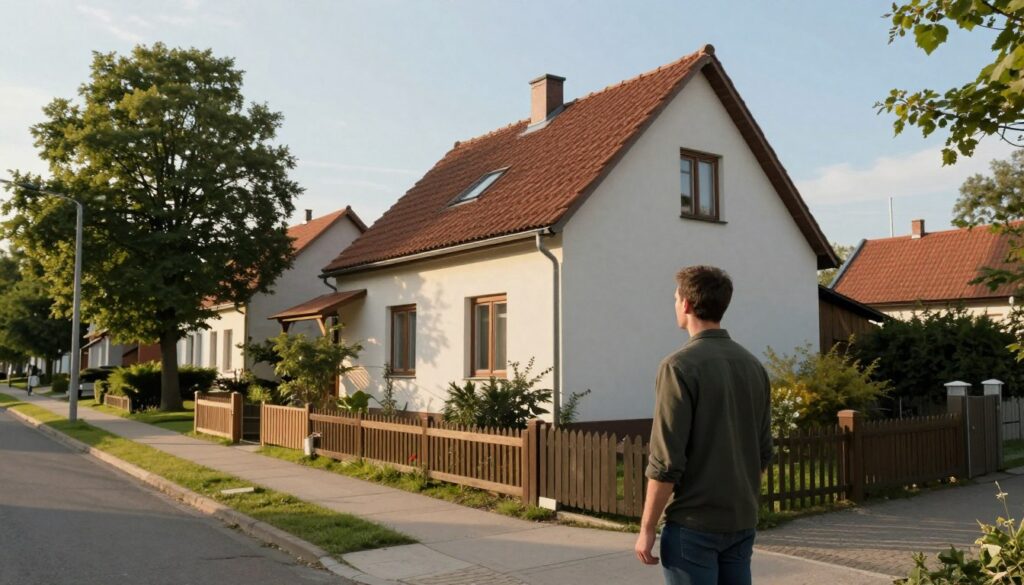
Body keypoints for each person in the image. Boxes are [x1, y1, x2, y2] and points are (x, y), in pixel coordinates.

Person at [634, 266, 772, 585]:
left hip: (693, 526)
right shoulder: (753, 366)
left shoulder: (678, 366)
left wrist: (646, 528)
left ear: (686, 304)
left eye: (675, 298)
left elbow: (666, 461)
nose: (675, 304)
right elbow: (763, 452)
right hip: (741, 522)